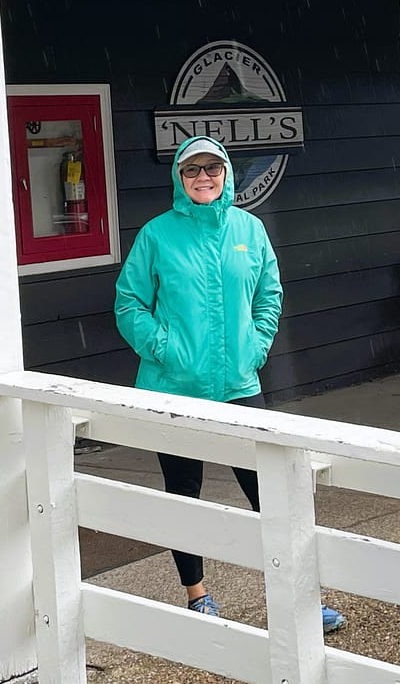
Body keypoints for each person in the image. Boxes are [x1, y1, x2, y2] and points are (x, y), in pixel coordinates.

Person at [115, 135, 345, 633]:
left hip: (239, 382)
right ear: (178, 177)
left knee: (271, 491)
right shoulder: (157, 235)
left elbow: (269, 293)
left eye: (212, 169)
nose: (203, 177)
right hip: (173, 385)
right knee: (183, 491)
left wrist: (257, 346)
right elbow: (128, 303)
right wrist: (165, 349)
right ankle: (198, 596)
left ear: (227, 175)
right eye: (192, 169)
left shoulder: (249, 229)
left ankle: (301, 597)